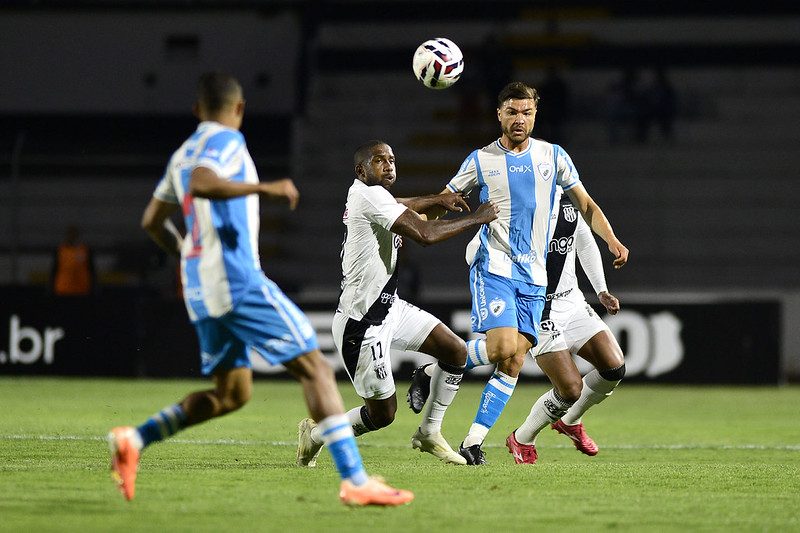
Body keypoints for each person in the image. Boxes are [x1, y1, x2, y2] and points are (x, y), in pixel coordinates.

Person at [106, 72, 412, 507]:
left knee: (233, 394)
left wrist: (184, 252)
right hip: (237, 279)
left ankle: (135, 438)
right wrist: (263, 187)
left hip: (201, 289)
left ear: (196, 110)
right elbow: (202, 183)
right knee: (316, 369)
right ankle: (356, 480)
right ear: (240, 109)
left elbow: (152, 221)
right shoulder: (226, 141)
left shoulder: (180, 154)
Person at [409, 81, 628, 464]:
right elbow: (445, 202)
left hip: (535, 278)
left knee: (512, 359)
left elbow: (586, 205)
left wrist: (612, 240)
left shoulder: (554, 156)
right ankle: (436, 368)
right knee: (501, 349)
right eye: (511, 112)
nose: (519, 119)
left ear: (535, 114)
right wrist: (406, 221)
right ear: (499, 114)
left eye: (526, 112)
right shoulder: (480, 160)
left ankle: (472, 442)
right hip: (494, 267)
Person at [296, 140, 499, 468]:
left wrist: (437, 199)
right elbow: (425, 234)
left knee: (456, 352)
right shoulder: (369, 195)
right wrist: (478, 218)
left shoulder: (371, 194)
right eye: (379, 161)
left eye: (391, 159)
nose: (389, 165)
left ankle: (429, 432)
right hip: (361, 324)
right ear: (361, 170)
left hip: (389, 308)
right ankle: (317, 434)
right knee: (382, 415)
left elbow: (404, 203)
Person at [50, 225, 96, 296]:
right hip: (63, 289)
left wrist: (94, 287)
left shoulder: (85, 250)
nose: (72, 236)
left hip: (82, 289)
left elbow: (91, 270)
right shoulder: (60, 250)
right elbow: (54, 269)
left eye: (74, 234)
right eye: (70, 234)